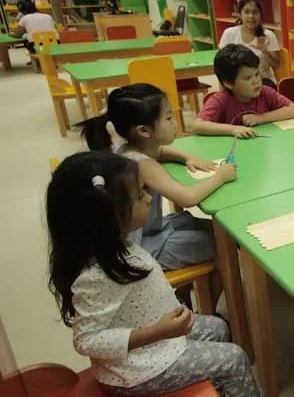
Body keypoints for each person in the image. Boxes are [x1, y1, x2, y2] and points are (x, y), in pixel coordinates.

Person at [46, 151, 262, 396]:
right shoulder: (96, 275)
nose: (149, 199)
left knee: (218, 327)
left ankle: (218, 389)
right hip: (137, 370)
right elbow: (87, 340)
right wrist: (157, 332)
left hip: (154, 340)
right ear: (108, 216)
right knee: (234, 358)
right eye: (140, 195)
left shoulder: (116, 243)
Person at [78, 84, 235, 275]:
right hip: (143, 247)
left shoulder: (126, 147)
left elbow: (160, 151)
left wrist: (186, 157)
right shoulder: (142, 164)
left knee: (217, 229)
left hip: (149, 229)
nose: (175, 123)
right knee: (223, 243)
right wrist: (220, 177)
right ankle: (213, 292)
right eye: (168, 118)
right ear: (144, 131)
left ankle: (195, 287)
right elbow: (187, 198)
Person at [192, 44, 294, 138]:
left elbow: (293, 109)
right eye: (247, 78)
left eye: (257, 74)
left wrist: (259, 118)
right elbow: (197, 125)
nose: (256, 81)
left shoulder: (265, 92)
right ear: (228, 83)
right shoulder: (220, 100)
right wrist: (233, 129)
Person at [218, 0, 281, 89]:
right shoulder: (229, 33)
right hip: (236, 83)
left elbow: (276, 66)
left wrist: (264, 51)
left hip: (262, 82)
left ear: (260, 15)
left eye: (255, 12)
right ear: (240, 14)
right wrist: (222, 91)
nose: (251, 16)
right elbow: (221, 65)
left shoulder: (269, 35)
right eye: (246, 12)